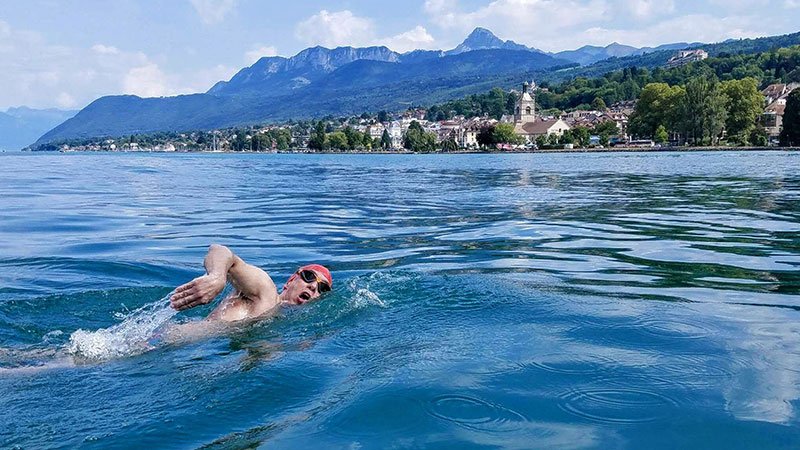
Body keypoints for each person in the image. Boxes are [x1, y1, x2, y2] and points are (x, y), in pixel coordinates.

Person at [169, 244, 332, 322]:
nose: (313, 286)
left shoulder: (283, 322)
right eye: (309, 276)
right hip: (164, 344)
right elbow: (220, 251)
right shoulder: (265, 290)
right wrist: (216, 277)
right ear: (290, 281)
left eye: (322, 288)